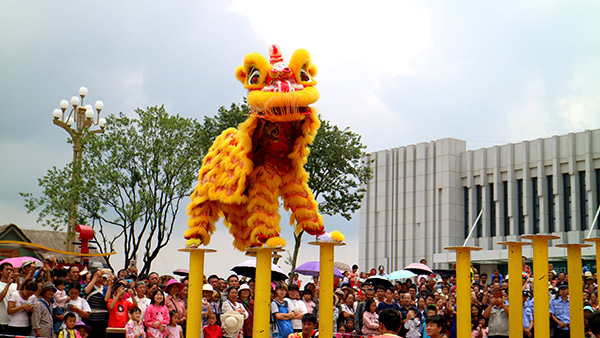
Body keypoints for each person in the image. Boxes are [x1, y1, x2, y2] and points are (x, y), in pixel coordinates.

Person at [0, 262, 18, 334]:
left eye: (11, 270)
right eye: (7, 269)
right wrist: (8, 285)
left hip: (13, 322)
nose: (9, 271)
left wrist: (18, 282)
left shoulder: (15, 285)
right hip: (1, 321)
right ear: (1, 271)